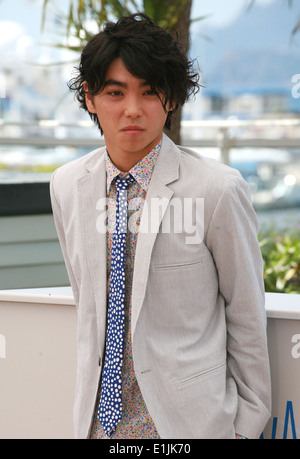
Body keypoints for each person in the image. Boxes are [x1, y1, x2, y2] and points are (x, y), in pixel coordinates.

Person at [50, 13, 271, 439]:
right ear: (90, 99)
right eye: (115, 92)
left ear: (170, 99)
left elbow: (246, 312)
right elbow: (88, 300)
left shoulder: (216, 189)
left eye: (149, 92)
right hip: (98, 425)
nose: (132, 109)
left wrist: (246, 427)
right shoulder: (66, 185)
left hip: (188, 425)